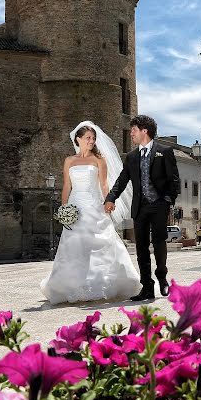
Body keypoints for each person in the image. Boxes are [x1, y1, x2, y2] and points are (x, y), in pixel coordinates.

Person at [40, 122, 141, 304]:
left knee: (101, 243)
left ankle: (105, 283)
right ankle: (70, 286)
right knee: (73, 244)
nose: (91, 141)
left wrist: (108, 201)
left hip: (95, 206)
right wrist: (64, 208)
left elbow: (103, 184)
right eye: (88, 138)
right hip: (75, 205)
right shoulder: (69, 161)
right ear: (78, 139)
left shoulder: (98, 160)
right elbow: (66, 186)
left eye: (93, 138)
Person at [105, 115, 180, 301]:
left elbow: (174, 180)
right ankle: (147, 287)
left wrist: (167, 200)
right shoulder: (131, 157)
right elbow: (122, 180)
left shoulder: (165, 151)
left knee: (159, 242)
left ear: (144, 131)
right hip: (140, 207)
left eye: (134, 130)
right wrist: (111, 197)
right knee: (141, 248)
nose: (131, 133)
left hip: (159, 205)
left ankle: (162, 277)